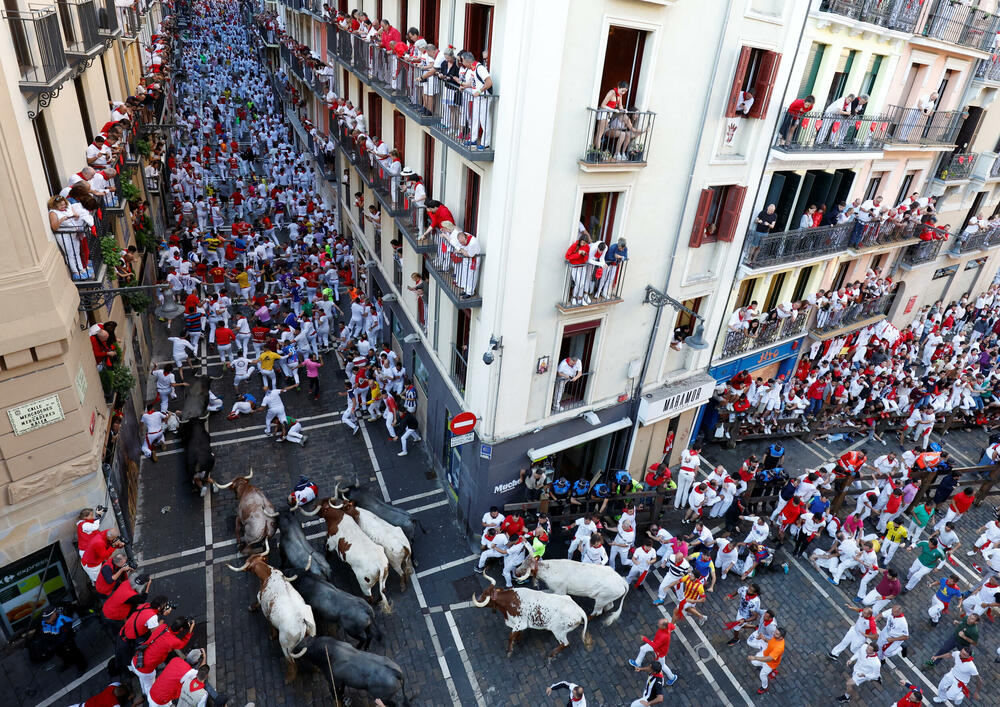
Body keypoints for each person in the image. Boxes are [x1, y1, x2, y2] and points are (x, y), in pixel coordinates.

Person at [39, 606, 87, 672]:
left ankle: (82, 666)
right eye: (45, 619)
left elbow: (64, 638)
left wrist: (53, 646)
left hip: (66, 638)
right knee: (60, 652)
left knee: (73, 651)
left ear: (54, 614)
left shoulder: (64, 621)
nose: (47, 621)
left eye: (48, 618)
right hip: (55, 638)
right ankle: (68, 661)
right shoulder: (45, 621)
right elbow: (44, 632)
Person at [747, 626, 785, 694]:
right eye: (775, 632)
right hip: (765, 653)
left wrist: (755, 658)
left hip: (770, 663)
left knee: (762, 675)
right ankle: (764, 667)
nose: (774, 634)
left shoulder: (779, 648)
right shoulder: (776, 637)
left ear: (781, 637)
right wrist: (764, 639)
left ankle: (764, 687)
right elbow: (771, 642)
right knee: (754, 662)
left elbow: (768, 659)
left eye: (776, 634)